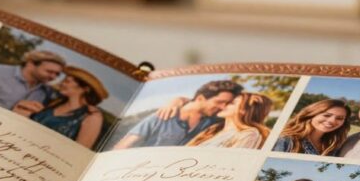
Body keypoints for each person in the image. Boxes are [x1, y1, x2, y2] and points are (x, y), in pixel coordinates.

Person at [113, 80, 243, 149]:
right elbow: (123, 146)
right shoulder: (162, 116)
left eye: (227, 103)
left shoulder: (214, 122)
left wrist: (179, 99)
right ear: (200, 98)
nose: (223, 107)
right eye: (219, 102)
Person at [22, 66, 108, 149]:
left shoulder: (92, 116)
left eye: (67, 81)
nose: (61, 84)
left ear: (85, 89)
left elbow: (80, 152)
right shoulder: (54, 103)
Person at [187, 92, 273, 148]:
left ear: (244, 110)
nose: (224, 106)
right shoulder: (213, 129)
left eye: (232, 103)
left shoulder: (249, 134)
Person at [272, 98, 351, 156]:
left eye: (340, 118)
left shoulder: (334, 146)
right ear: (312, 114)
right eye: (326, 115)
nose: (332, 121)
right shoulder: (285, 140)